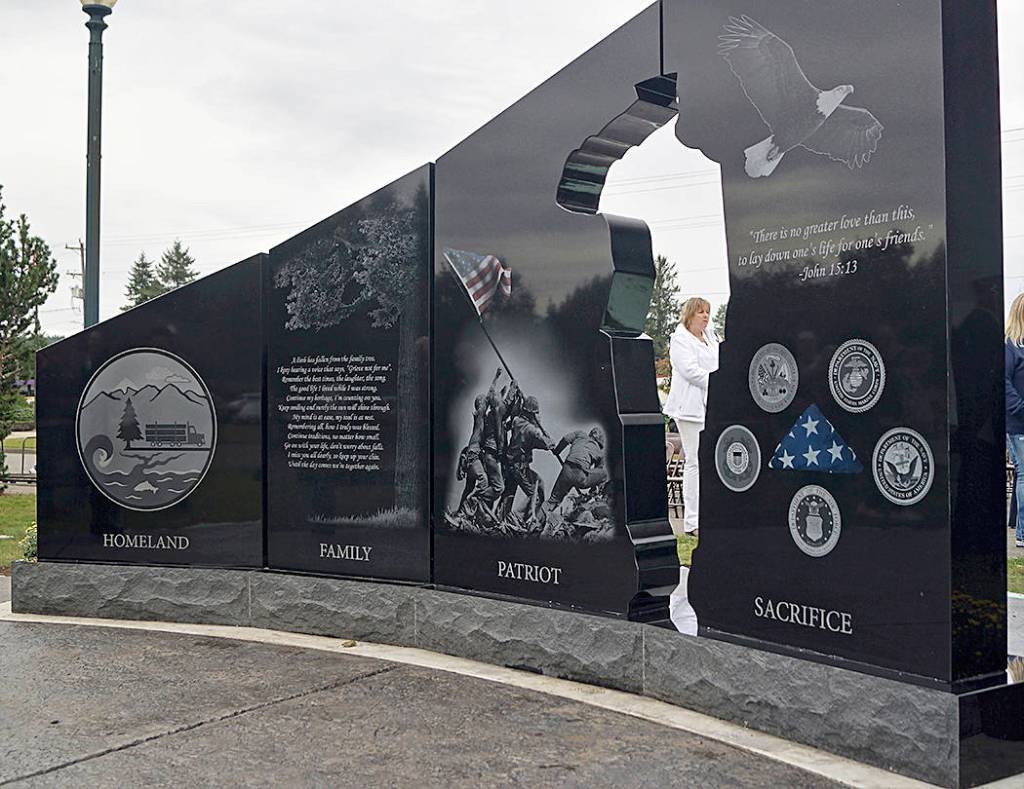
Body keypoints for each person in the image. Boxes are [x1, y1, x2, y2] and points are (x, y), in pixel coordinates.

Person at [663, 297, 720, 536]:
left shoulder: (712, 338)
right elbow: (690, 371)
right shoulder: (679, 339)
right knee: (694, 461)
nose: (705, 316)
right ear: (689, 315)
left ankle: (710, 514)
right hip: (689, 408)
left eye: (708, 312)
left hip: (712, 407)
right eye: (700, 312)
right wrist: (719, 382)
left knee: (710, 462)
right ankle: (692, 522)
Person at [1005, 293, 1024, 548]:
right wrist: (1019, 407)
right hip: (1018, 423)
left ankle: (1019, 528)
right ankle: (1022, 533)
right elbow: (1004, 382)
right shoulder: (1010, 347)